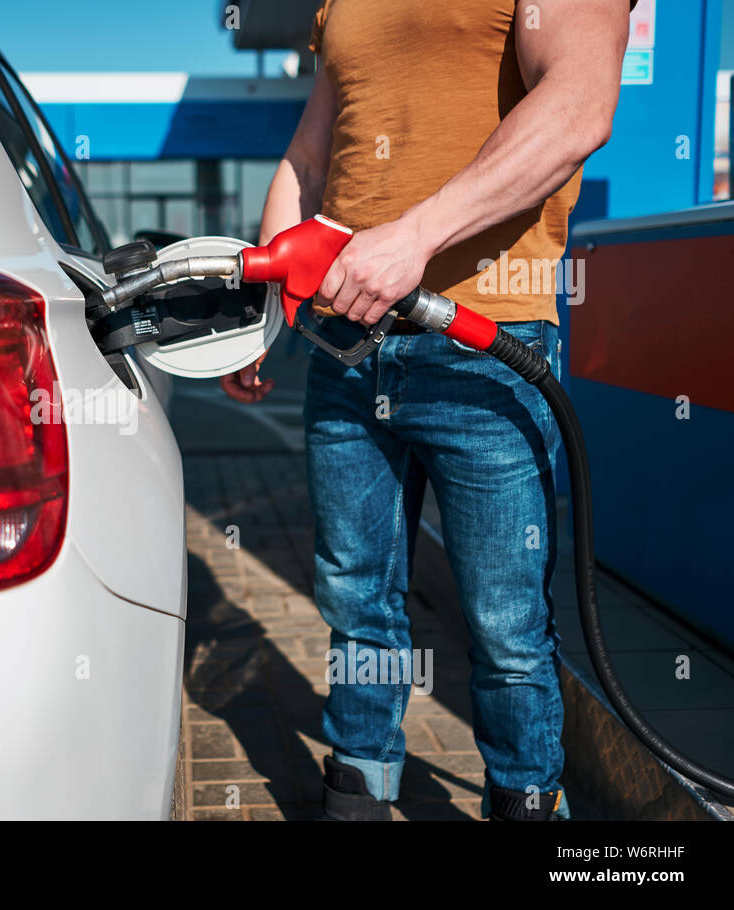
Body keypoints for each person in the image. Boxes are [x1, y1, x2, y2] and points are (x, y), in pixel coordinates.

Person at [221, 0, 634, 820]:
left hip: (484, 338)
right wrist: (264, 305)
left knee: (505, 623)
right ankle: (360, 788)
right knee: (355, 599)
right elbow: (309, 155)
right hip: (344, 345)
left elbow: (580, 104)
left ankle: (523, 800)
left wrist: (416, 236)